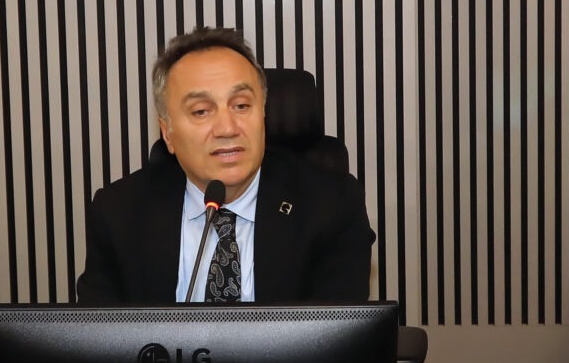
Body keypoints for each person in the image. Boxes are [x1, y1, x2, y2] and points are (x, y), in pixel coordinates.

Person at [77, 27, 374, 304]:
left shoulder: (330, 206)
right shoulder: (119, 213)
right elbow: (99, 338)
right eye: (201, 111)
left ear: (263, 115)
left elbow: (338, 337)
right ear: (168, 133)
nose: (227, 128)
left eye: (241, 106)